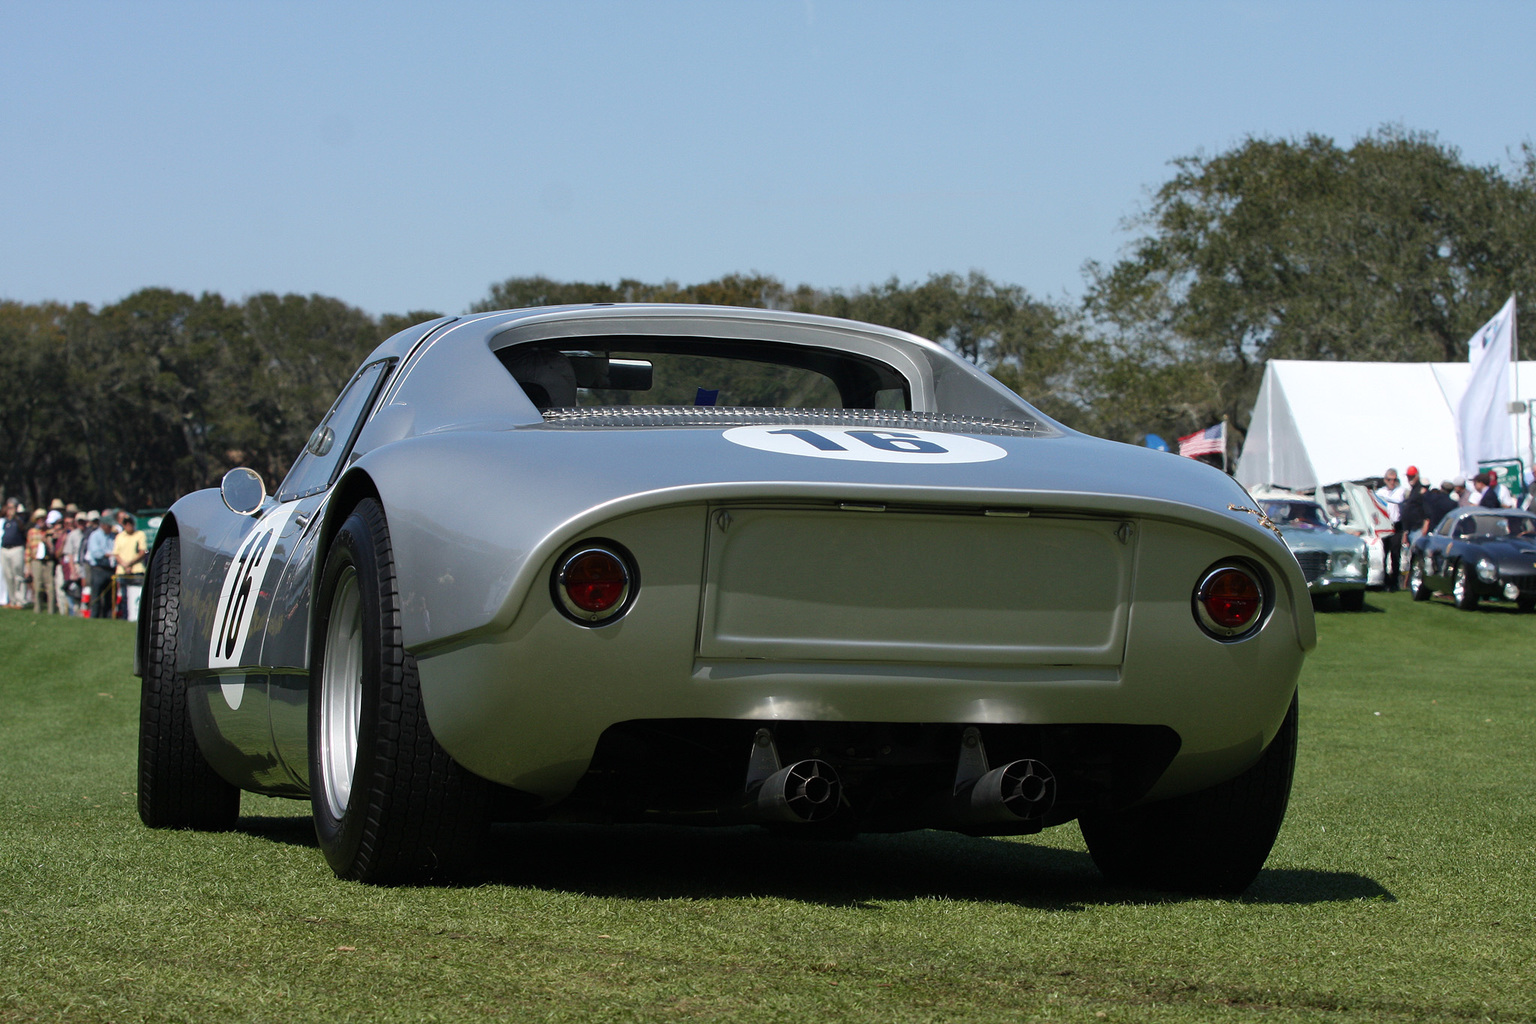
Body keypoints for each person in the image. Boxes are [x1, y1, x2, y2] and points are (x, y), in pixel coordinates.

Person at [1375, 469, 1406, 591]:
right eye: (1389, 479)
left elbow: (1400, 502)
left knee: (1395, 553)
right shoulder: (1380, 492)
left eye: (1394, 480)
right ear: (1385, 480)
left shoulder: (1400, 491)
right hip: (1384, 525)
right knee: (1384, 553)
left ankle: (1394, 582)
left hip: (1396, 525)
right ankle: (1384, 580)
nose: (1392, 482)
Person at [112, 513, 147, 619]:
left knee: (138, 596)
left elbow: (142, 551)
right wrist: (125, 565)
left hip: (137, 570)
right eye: (126, 524)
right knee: (124, 597)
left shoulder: (139, 534)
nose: (128, 526)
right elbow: (116, 553)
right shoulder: (119, 536)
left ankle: (138, 617)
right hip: (122, 571)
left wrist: (130, 564)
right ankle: (125, 617)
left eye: (130, 524)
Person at [85, 512, 116, 619]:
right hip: (98, 569)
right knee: (96, 594)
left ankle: (108, 617)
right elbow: (95, 553)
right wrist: (108, 554)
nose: (110, 528)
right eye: (109, 526)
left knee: (110, 596)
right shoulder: (95, 535)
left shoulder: (112, 536)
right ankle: (94, 616)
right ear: (103, 525)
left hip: (110, 569)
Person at [25, 508, 55, 614]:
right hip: (36, 561)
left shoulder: (50, 531)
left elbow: (53, 550)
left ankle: (51, 610)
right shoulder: (32, 532)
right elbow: (28, 549)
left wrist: (47, 541)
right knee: (37, 586)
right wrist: (28, 566)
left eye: (43, 518)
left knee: (50, 587)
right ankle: (37, 609)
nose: (41, 520)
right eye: (39, 519)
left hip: (48, 561)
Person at [1, 499, 25, 608]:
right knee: (8, 575)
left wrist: (15, 516)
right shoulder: (5, 521)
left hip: (17, 549)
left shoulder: (19, 520)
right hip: (5, 549)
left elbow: (22, 528)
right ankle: (12, 600)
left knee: (18, 574)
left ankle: (20, 600)